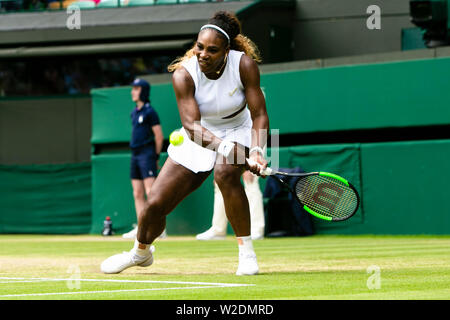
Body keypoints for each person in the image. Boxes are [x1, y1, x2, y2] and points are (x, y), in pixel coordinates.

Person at [101, 11, 269, 276]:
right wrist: (224, 147)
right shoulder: (184, 74)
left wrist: (257, 151)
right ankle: (140, 253)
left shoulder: (244, 65)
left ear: (226, 51)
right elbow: (192, 126)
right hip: (198, 133)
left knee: (225, 174)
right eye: (199, 47)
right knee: (155, 204)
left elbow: (259, 113)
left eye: (212, 50)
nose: (203, 54)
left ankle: (246, 253)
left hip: (239, 128)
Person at [122, 78, 165, 239]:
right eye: (132, 88)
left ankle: (158, 228)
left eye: (136, 89)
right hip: (135, 154)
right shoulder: (134, 112)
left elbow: (159, 137)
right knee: (137, 193)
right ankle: (142, 227)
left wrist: (155, 157)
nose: (133, 92)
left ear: (144, 91)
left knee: (151, 192)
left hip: (147, 154)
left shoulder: (150, 112)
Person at [196, 170, 265, 240]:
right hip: (228, 158)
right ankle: (218, 231)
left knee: (249, 179)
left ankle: (256, 229)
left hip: (248, 159)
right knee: (220, 180)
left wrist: (247, 168)